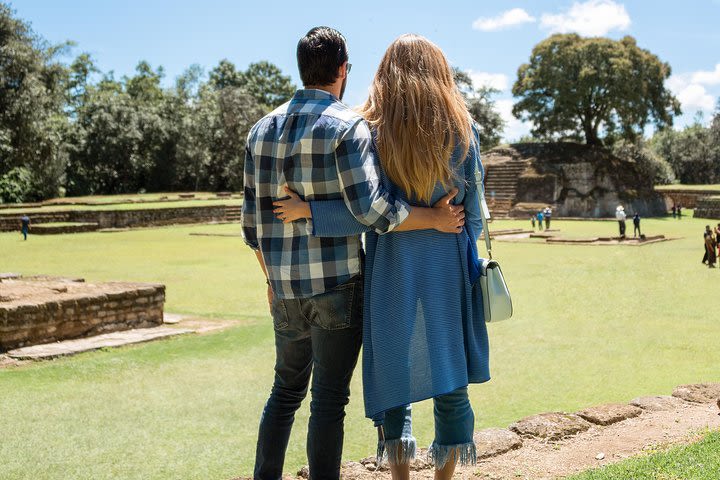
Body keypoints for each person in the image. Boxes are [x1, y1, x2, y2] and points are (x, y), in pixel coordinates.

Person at [241, 27, 465, 480]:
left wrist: (270, 280)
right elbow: (373, 210)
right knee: (327, 399)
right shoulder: (348, 126)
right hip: (337, 284)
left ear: (301, 68)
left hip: (283, 287)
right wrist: (433, 218)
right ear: (343, 70)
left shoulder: (260, 130)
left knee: (284, 392)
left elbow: (251, 227)